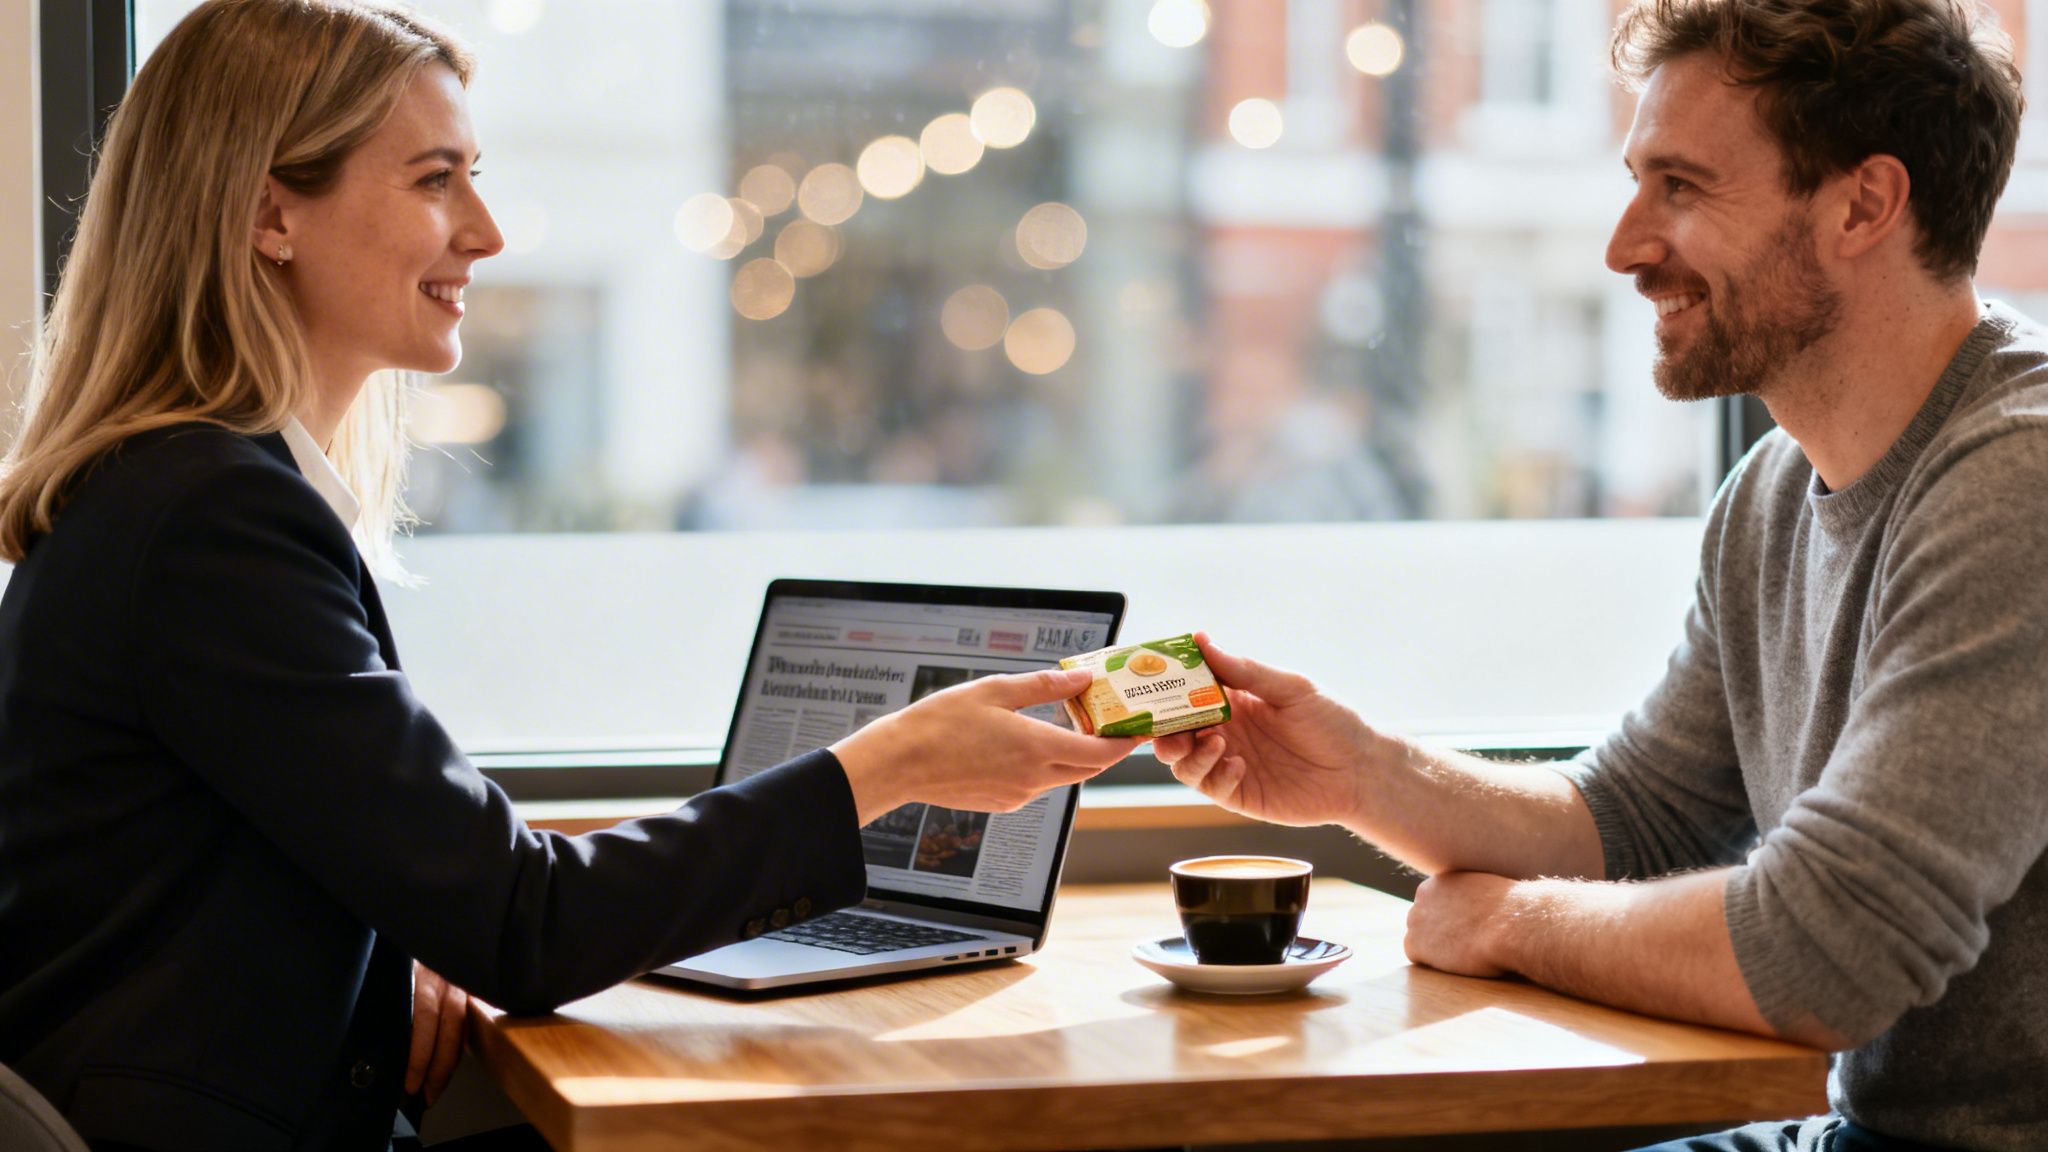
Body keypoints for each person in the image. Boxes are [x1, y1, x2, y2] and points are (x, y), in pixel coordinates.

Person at [0, 3, 1138, 1149]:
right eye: (436, 180)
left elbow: (320, 846)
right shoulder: (212, 520)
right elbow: (526, 925)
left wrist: (392, 949)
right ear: (268, 214)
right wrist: (887, 767)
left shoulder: (177, 493)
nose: (486, 232)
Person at [1155, 1, 2045, 1150]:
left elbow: (1827, 952)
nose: (1624, 244)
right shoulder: (1772, 494)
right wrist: (1358, 774)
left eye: (1680, 186)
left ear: (1861, 205)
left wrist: (1505, 922)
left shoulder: (2017, 480)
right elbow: (1636, 821)